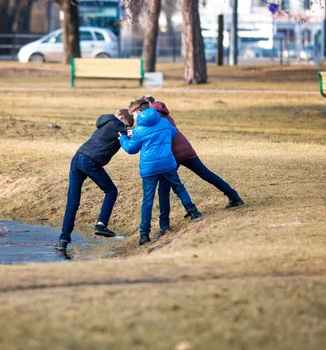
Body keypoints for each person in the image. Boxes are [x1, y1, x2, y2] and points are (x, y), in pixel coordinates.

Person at [142, 95, 244, 229]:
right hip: (186, 149)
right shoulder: (164, 115)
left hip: (173, 155)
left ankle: (164, 225)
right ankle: (234, 196)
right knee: (206, 174)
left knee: (164, 188)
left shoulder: (155, 119)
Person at [119, 99, 202, 246]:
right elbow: (173, 133)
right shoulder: (164, 122)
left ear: (139, 112)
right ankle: (193, 212)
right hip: (168, 163)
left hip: (149, 168)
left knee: (148, 200)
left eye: (134, 114)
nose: (134, 118)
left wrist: (123, 138)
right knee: (178, 188)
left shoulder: (138, 130)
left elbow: (132, 149)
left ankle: (144, 235)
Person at [56, 109, 134, 252]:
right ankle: (101, 224)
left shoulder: (106, 122)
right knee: (111, 191)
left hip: (77, 158)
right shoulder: (116, 124)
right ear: (122, 117)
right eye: (127, 124)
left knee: (72, 203)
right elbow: (131, 137)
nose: (126, 127)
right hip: (89, 161)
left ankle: (63, 240)